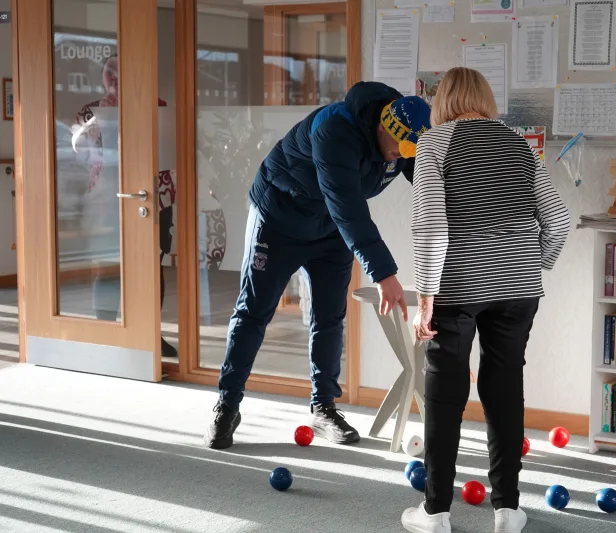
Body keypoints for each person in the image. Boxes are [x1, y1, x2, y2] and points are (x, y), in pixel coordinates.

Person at [203, 83, 432, 449]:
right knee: (254, 312)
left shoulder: (406, 139)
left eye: (409, 152)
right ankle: (227, 404)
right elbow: (349, 208)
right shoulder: (334, 131)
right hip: (279, 218)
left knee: (328, 316)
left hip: (329, 228)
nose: (399, 159)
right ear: (383, 127)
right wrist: (384, 274)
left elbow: (430, 183)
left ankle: (323, 408)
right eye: (399, 149)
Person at [401, 68, 570, 533]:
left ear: (443, 101)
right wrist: (534, 266)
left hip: (456, 288)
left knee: (445, 391)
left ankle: (435, 513)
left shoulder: (435, 143)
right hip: (518, 289)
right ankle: (508, 510)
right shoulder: (519, 143)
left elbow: (432, 226)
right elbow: (558, 221)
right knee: (504, 387)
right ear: (485, 99)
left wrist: (425, 294)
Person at [74, 53, 178, 358]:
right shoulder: (88, 111)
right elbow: (79, 152)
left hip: (156, 198)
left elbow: (168, 149)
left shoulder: (158, 107)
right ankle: (106, 334)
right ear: (102, 77)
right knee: (107, 268)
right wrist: (102, 118)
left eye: (123, 70)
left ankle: (149, 335)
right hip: (107, 198)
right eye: (110, 71)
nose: (116, 77)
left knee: (151, 267)